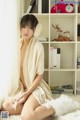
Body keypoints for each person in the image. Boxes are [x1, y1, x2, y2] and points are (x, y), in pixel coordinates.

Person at [1, 14, 55, 120]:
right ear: (20, 28)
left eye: (31, 28)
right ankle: (29, 106)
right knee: (5, 108)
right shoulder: (17, 45)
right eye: (24, 26)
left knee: (27, 117)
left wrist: (27, 93)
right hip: (22, 88)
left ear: (35, 30)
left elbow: (40, 75)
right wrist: (24, 93)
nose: (27, 30)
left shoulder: (37, 47)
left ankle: (55, 107)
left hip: (35, 88)